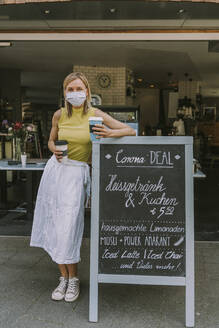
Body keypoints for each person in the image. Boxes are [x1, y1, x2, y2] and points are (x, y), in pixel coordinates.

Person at [30, 72, 136, 303]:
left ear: (87, 91)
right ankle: (63, 277)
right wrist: (52, 149)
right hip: (55, 172)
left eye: (79, 89)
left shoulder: (95, 114)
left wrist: (110, 133)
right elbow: (51, 139)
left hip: (77, 174)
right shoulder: (59, 115)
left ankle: (74, 278)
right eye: (70, 89)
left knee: (69, 226)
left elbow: (130, 130)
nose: (75, 93)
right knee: (55, 225)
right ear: (64, 93)